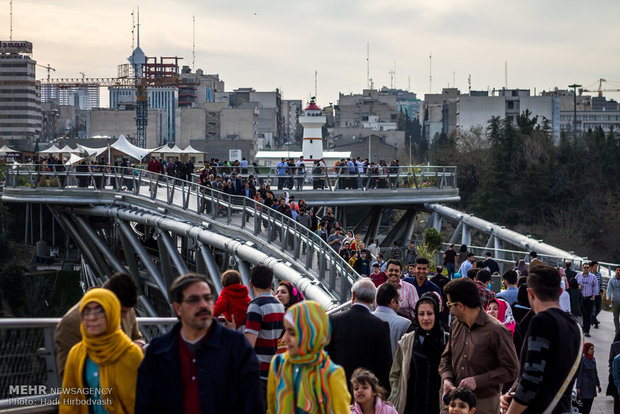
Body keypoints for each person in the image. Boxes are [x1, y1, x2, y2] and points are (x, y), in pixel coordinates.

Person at [135, 273, 263, 413]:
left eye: (207, 298)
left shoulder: (237, 347)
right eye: (193, 300)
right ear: (178, 308)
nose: (203, 305)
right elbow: (144, 403)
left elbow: (253, 403)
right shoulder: (158, 350)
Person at [500, 265, 582, 414]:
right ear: (560, 292)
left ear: (530, 293)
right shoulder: (574, 325)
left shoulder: (542, 321)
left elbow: (531, 379)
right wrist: (517, 396)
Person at [439, 278, 519, 414]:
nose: (450, 310)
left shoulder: (496, 330)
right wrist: (446, 379)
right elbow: (446, 358)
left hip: (483, 404)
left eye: (449, 304)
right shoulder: (455, 325)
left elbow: (511, 369)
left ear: (461, 306)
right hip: (453, 402)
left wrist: (478, 381)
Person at [60, 288, 143, 413]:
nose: (92, 317)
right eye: (86, 312)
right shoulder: (76, 354)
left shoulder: (131, 354)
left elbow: (143, 403)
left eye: (100, 311)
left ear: (112, 314)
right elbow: (69, 401)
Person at [55, 273, 145, 381]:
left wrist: (139, 344)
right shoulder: (71, 323)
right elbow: (67, 373)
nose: (125, 316)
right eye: (121, 311)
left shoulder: (126, 307)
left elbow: (136, 337)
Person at [267, 301, 351, 414]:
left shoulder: (332, 374)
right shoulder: (278, 364)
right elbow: (272, 409)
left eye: (292, 333)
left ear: (310, 334)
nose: (285, 338)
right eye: (285, 330)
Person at [325, 279, 393, 391]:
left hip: (339, 390)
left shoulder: (333, 321)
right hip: (367, 392)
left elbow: (327, 358)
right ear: (373, 299)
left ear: (353, 295)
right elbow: (385, 366)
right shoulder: (380, 326)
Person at [389, 292, 448, 414]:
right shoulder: (407, 341)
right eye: (421, 314)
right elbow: (395, 373)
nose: (425, 318)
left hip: (438, 406)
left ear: (436, 314)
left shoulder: (446, 340)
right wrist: (397, 395)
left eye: (430, 313)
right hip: (412, 406)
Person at [244, 265, 285, 389]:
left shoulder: (256, 306)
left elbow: (248, 345)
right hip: (275, 370)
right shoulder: (279, 305)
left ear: (251, 284)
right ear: (271, 284)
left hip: (259, 372)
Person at [373, 283, 411, 357]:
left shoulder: (365, 319)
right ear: (393, 302)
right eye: (400, 300)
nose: (400, 304)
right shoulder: (405, 323)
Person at [576, 343, 601, 414]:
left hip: (592, 386)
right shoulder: (582, 360)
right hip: (584, 387)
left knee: (589, 406)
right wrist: (578, 387)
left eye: (593, 349)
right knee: (584, 408)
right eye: (591, 349)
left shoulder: (593, 359)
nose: (593, 351)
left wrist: (598, 385)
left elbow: (595, 373)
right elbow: (579, 375)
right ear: (586, 350)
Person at [576, 262, 598, 337]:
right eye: (584, 267)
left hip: (589, 298)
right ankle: (583, 328)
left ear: (589, 268)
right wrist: (578, 286)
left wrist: (594, 295)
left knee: (588, 314)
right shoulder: (578, 276)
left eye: (587, 267)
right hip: (581, 298)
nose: (586, 269)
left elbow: (595, 286)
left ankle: (587, 331)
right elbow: (574, 284)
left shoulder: (593, 277)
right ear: (582, 268)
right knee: (582, 314)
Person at [608, 267, 620, 333]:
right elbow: (609, 290)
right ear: (615, 271)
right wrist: (608, 297)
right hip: (615, 300)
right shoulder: (611, 280)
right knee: (616, 317)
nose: (618, 271)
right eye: (617, 270)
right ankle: (617, 331)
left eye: (619, 270)